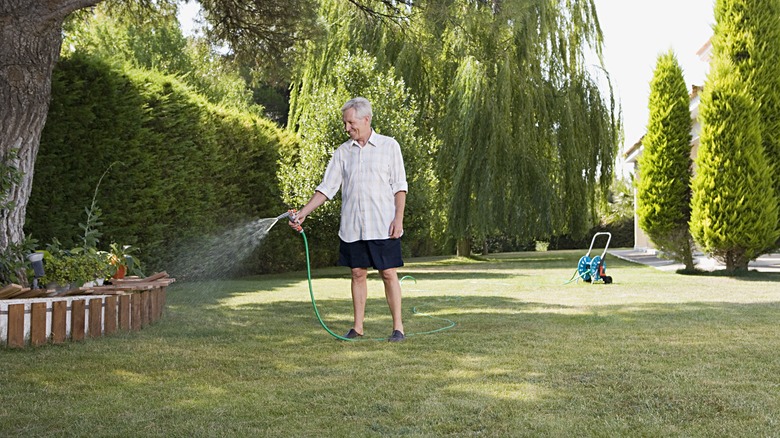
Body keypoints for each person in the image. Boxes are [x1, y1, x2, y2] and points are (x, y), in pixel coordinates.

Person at [290, 97, 408, 342]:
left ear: (366, 119)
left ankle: (398, 328)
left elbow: (400, 187)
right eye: (345, 123)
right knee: (357, 273)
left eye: (351, 122)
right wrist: (304, 212)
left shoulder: (389, 146)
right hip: (353, 227)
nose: (347, 128)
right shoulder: (343, 152)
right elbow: (327, 188)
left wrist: (399, 218)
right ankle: (358, 327)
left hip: (383, 224)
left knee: (388, 273)